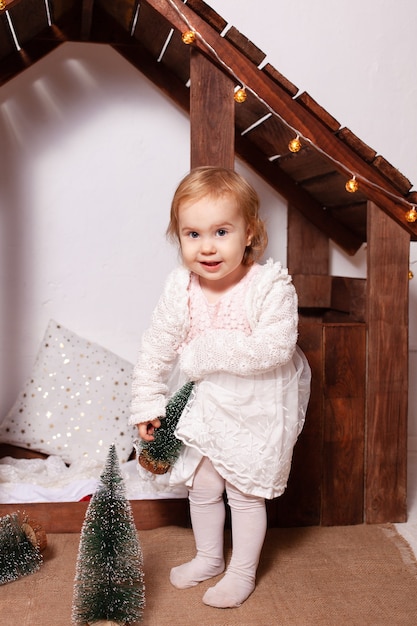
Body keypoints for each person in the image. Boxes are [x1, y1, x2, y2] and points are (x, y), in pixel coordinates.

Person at [130, 166, 310, 609]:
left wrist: (208, 352)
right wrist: (147, 402)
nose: (206, 247)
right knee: (203, 485)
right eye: (192, 234)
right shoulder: (181, 288)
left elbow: (277, 346)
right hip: (202, 406)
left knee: (244, 490)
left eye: (221, 231)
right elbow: (156, 347)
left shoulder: (268, 286)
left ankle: (242, 571)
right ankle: (209, 556)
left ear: (249, 232)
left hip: (255, 404)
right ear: (179, 237)